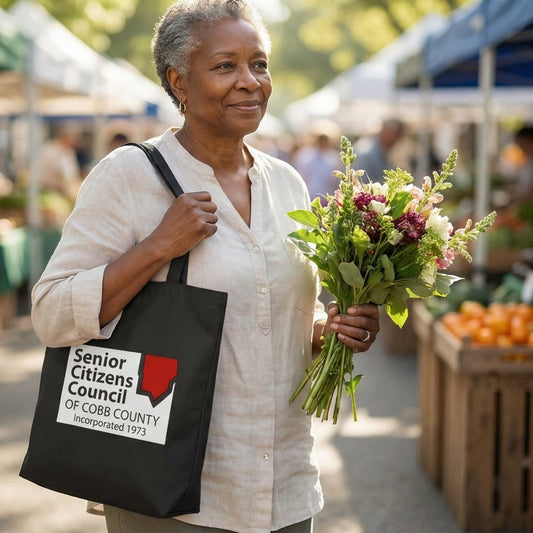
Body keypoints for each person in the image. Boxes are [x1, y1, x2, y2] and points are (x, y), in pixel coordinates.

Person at [30, 1, 380, 532]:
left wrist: (327, 333)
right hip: (171, 486)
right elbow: (51, 314)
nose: (249, 82)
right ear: (179, 84)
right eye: (225, 66)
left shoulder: (286, 183)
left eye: (259, 64)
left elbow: (269, 314)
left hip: (281, 483)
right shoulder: (129, 174)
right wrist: (157, 246)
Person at [292, 121, 342, 203]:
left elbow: (335, 181)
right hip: (308, 196)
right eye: (321, 138)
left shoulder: (333, 157)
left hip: (327, 197)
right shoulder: (305, 154)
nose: (323, 141)